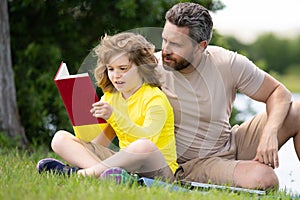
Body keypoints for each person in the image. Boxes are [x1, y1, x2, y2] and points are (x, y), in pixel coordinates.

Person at [156, 2, 300, 190]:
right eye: (165, 40)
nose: (166, 49)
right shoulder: (153, 68)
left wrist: (269, 134)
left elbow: (279, 92)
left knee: (297, 112)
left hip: (230, 143)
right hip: (194, 164)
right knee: (265, 178)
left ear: (201, 46)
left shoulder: (226, 62)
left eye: (175, 44)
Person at [37, 32, 178, 182]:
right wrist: (83, 125)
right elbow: (99, 143)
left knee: (144, 146)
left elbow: (147, 139)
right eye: (111, 69)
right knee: (59, 138)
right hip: (126, 167)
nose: (116, 75)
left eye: (123, 69)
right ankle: (108, 176)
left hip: (158, 169)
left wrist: (114, 115)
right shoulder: (111, 97)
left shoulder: (155, 98)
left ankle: (81, 174)